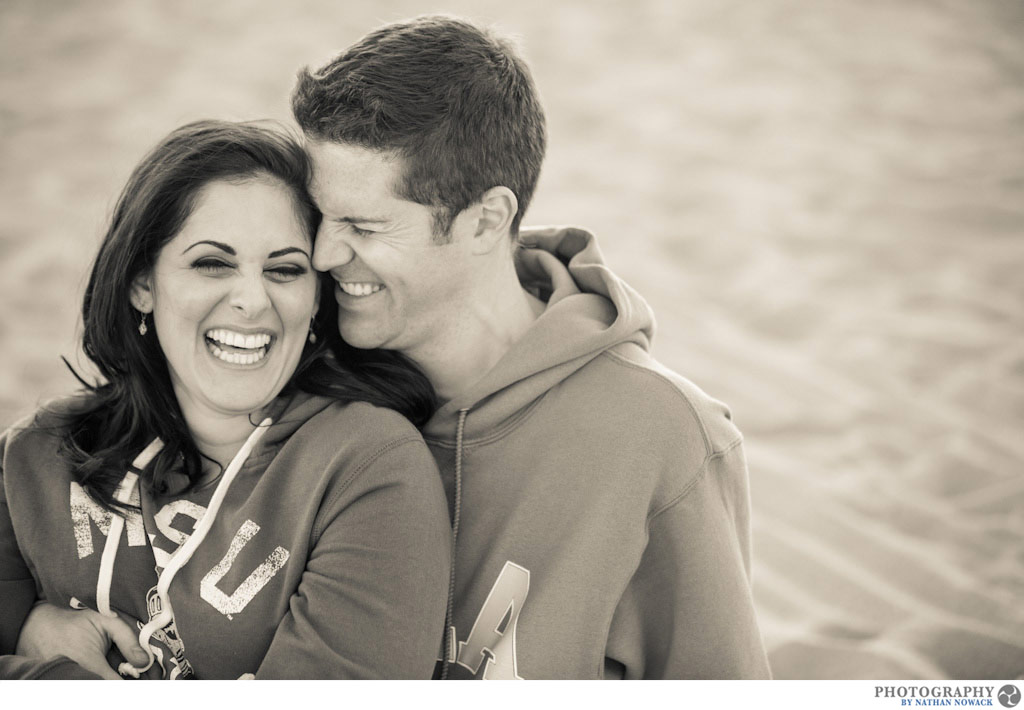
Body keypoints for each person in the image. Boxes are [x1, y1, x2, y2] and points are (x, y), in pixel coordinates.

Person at [289, 16, 772, 679]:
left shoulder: (661, 438)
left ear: (486, 219)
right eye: (318, 217)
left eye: (363, 226)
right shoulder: (294, 375)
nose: (322, 253)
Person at [0, 120, 451, 679]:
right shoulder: (34, 457)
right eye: (212, 263)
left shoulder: (367, 466)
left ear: (315, 299)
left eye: (285, 269)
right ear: (143, 283)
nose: (251, 300)